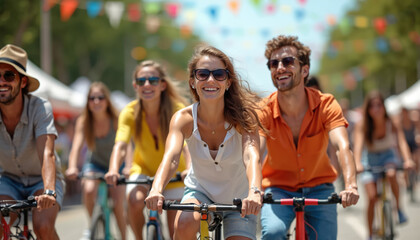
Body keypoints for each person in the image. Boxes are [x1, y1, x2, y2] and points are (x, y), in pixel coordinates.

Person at [145, 45, 264, 240]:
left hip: (240, 199)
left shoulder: (245, 117)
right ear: (192, 81)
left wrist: (255, 192)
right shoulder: (183, 118)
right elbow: (172, 158)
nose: (210, 80)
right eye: (202, 74)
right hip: (200, 192)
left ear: (228, 82)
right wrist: (156, 189)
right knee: (183, 223)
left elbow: (252, 157)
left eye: (219, 74)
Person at [257, 35, 359, 240]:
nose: (279, 67)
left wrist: (351, 185)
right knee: (273, 233)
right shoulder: (264, 109)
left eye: (287, 61)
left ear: (304, 70)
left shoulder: (326, 104)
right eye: (273, 63)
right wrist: (253, 189)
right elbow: (254, 153)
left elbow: (342, 145)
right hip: (278, 189)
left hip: (320, 188)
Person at [105, 60, 190, 240]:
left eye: (153, 80)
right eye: (141, 81)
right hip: (142, 169)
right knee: (134, 201)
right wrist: (113, 169)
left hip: (175, 173)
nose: (147, 85)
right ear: (135, 85)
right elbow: (120, 145)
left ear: (162, 85)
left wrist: (189, 169)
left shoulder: (177, 110)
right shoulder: (129, 111)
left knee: (176, 231)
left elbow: (186, 146)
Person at [0, 44, 64, 240]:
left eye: (9, 76)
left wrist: (49, 191)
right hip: (8, 180)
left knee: (42, 227)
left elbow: (47, 153)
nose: (2, 82)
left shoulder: (40, 107)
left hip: (42, 181)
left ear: (23, 82)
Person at [65, 82, 127, 240]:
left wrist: (129, 166)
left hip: (117, 165)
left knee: (119, 204)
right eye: (92, 98)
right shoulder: (84, 121)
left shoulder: (116, 118)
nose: (96, 102)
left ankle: (124, 236)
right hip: (96, 163)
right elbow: (76, 147)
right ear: (88, 102)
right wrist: (72, 167)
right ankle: (93, 225)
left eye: (100, 97)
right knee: (88, 189)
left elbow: (127, 145)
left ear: (107, 100)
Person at [353, 91, 415, 239]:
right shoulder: (363, 125)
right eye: (372, 106)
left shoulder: (391, 122)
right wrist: (357, 164)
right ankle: (369, 233)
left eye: (379, 105)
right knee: (372, 197)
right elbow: (358, 147)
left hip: (388, 156)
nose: (376, 109)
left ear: (384, 107)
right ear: (368, 109)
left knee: (392, 173)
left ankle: (398, 208)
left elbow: (401, 141)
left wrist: (407, 159)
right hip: (370, 159)